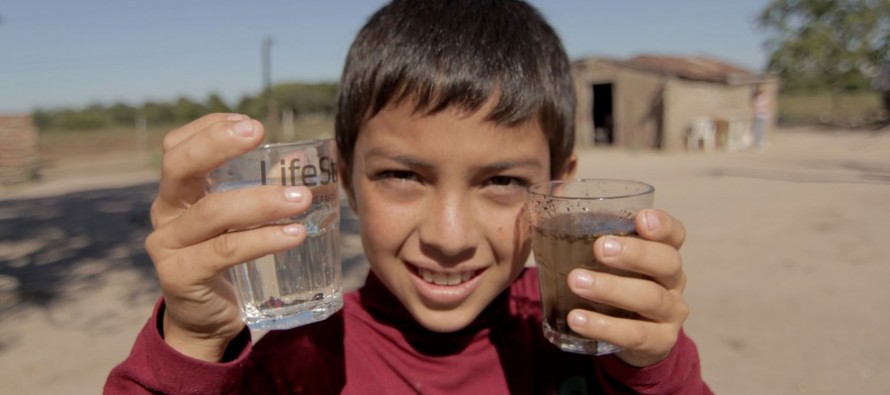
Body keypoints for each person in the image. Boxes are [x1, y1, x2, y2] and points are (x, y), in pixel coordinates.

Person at [105, 1, 712, 393]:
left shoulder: (589, 338)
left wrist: (653, 367)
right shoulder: (298, 366)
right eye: (402, 175)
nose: (449, 237)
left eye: (502, 182)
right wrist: (192, 342)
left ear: (562, 186)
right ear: (341, 178)